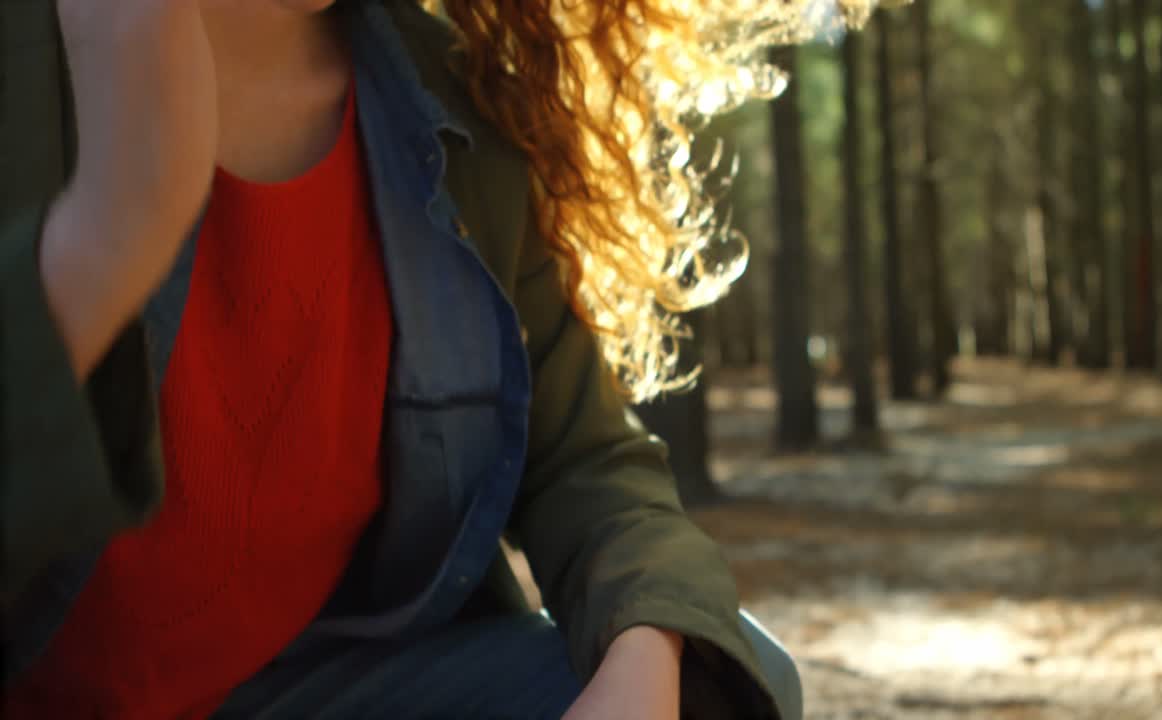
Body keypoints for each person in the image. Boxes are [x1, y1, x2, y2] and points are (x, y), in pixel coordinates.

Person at [0, 0, 819, 717]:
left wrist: (646, 655)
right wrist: (106, 235)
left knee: (718, 683)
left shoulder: (454, 100)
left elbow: (585, 461)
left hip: (309, 692)